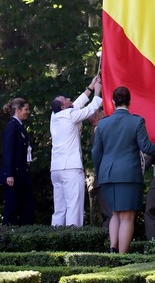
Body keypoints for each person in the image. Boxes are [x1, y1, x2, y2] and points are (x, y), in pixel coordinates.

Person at [92, 85, 155, 253]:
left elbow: (96, 153)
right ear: (129, 101)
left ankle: (112, 249)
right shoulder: (136, 121)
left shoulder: (102, 124)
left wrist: (100, 172)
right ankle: (122, 255)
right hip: (128, 174)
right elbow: (146, 147)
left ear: (113, 101)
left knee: (114, 215)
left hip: (107, 175)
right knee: (127, 217)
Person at [50, 73, 102, 228]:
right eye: (65, 100)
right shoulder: (69, 115)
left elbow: (77, 105)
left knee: (59, 208)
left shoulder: (54, 115)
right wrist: (97, 92)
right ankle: (73, 236)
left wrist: (90, 87)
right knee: (74, 204)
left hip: (56, 168)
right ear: (63, 106)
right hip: (70, 168)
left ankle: (56, 235)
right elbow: (89, 109)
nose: (68, 99)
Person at [0, 97, 34, 225]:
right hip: (14, 174)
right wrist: (9, 174)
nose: (27, 112)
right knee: (12, 209)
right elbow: (8, 151)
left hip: (21, 174)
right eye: (25, 109)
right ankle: (7, 237)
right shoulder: (12, 127)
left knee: (25, 208)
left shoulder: (20, 127)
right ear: (17, 110)